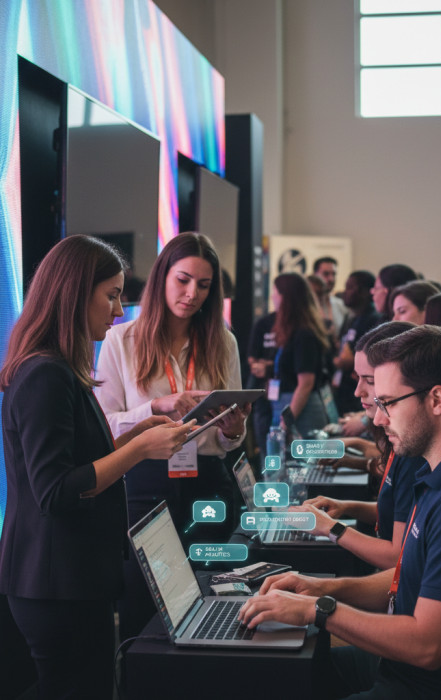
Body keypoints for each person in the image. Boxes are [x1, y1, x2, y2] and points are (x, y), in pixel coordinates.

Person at [239, 325, 441, 700]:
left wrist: (318, 609)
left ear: (436, 399)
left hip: (432, 686)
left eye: (388, 403)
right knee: (270, 672)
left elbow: (427, 646)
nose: (379, 419)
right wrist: (319, 588)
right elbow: (408, 577)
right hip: (402, 670)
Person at [0, 235, 193, 700]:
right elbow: (57, 491)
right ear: (73, 294)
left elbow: (79, 461)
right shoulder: (46, 373)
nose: (119, 311)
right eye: (111, 296)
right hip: (55, 583)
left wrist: (136, 436)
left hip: (70, 579)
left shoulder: (59, 368)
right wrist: (139, 449)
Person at [95, 232, 249, 639]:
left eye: (204, 285)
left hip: (210, 482)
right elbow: (104, 425)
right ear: (162, 276)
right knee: (142, 603)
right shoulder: (121, 340)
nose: (192, 293)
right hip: (144, 482)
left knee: (212, 595)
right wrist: (156, 407)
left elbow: (231, 439)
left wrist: (234, 430)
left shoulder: (224, 342)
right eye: (183, 280)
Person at [294, 322, 422, 571]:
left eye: (369, 380)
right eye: (357, 378)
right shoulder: (398, 442)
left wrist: (331, 528)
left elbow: (397, 558)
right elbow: (396, 512)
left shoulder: (411, 449)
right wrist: (345, 507)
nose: (358, 391)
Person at [268, 272, 334, 435]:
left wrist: (286, 421)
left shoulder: (304, 334)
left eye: (275, 293)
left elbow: (305, 384)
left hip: (302, 411)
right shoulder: (294, 330)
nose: (272, 297)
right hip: (291, 406)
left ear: (287, 298)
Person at [333, 270, 382, 415]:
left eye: (350, 287)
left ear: (364, 292)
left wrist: (341, 361)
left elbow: (349, 360)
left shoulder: (373, 320)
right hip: (344, 390)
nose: (345, 292)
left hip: (361, 395)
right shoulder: (351, 318)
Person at [246, 309, 277, 470]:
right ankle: (268, 474)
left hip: (285, 392)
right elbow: (252, 357)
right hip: (261, 391)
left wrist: (269, 366)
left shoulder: (297, 324)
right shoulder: (263, 323)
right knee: (263, 438)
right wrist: (261, 367)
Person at [312, 256, 350, 347]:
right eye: (326, 274)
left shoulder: (342, 305)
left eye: (334, 274)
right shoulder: (305, 306)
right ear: (315, 275)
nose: (331, 279)